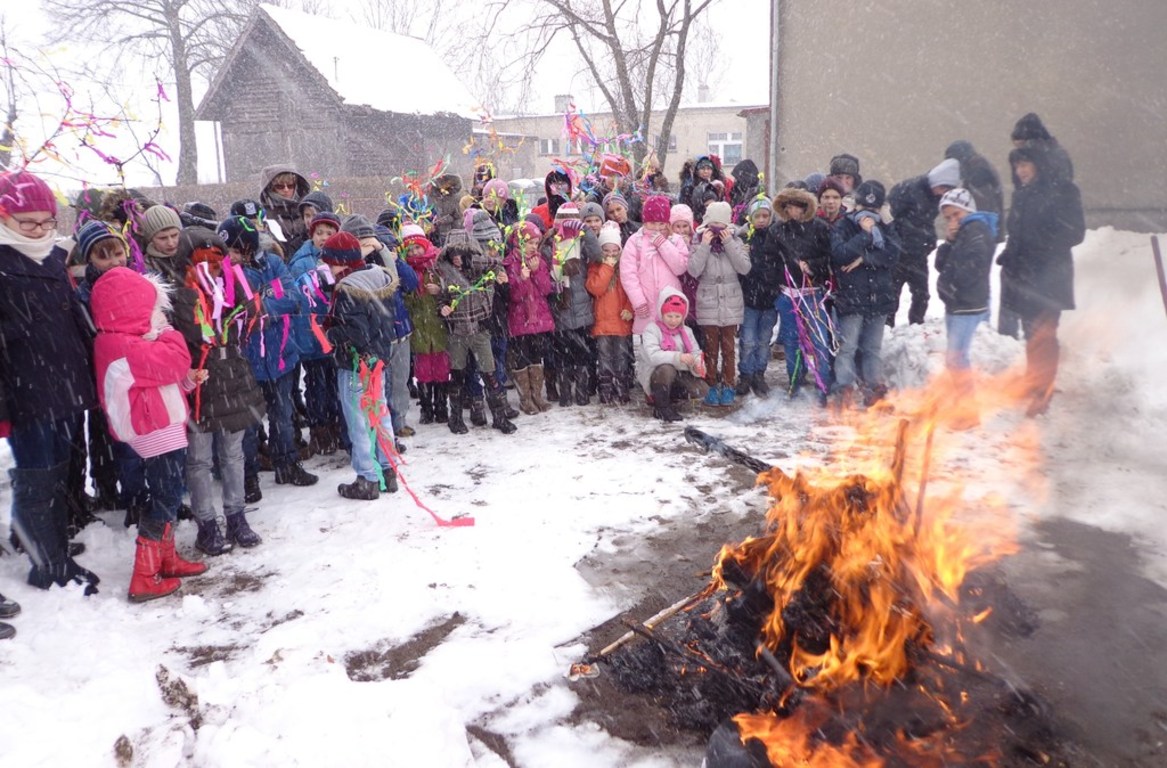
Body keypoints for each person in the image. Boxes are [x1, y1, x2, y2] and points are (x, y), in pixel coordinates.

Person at [0, 170, 101, 606]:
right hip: (27, 389)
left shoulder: (53, 259)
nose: (40, 231)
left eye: (46, 222)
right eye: (29, 223)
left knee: (58, 469)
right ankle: (48, 564)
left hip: (63, 383)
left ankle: (45, 541)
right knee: (37, 476)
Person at [90, 266, 209, 602]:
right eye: (154, 309)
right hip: (153, 431)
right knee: (165, 497)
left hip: (162, 426)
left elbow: (162, 381)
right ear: (130, 308)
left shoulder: (131, 340)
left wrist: (187, 381)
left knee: (169, 494)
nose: (159, 316)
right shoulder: (119, 345)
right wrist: (170, 333)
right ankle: (144, 574)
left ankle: (165, 559)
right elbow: (172, 361)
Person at [176, 227, 266, 553]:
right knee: (199, 458)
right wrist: (193, 291)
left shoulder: (231, 285)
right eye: (204, 261)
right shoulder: (181, 292)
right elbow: (193, 330)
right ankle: (206, 523)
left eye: (217, 260)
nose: (212, 268)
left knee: (232, 454)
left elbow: (252, 315)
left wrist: (238, 285)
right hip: (200, 380)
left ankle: (236, 516)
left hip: (232, 375)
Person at [217, 216, 318, 490]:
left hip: (280, 353)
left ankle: (287, 463)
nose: (232, 256)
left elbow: (292, 297)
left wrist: (263, 309)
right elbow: (230, 310)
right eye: (228, 251)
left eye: (237, 250)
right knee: (249, 423)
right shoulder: (224, 275)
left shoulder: (273, 263)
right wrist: (252, 307)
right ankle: (248, 477)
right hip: (246, 361)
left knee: (282, 415)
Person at [997, 144, 1085, 417]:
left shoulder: (1062, 193)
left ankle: (1042, 391)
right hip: (1024, 276)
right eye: (1017, 166)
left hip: (1049, 278)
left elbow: (1075, 233)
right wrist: (1010, 255)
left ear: (1039, 164)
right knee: (1031, 332)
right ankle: (1035, 381)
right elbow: (1017, 233)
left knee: (1044, 335)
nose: (1020, 171)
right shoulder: (1022, 195)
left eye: (1025, 164)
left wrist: (1040, 250)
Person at [322, 232, 401, 500]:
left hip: (356, 365)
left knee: (358, 420)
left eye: (331, 264)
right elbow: (374, 320)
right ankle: (388, 470)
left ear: (342, 262)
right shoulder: (375, 277)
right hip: (378, 360)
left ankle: (366, 477)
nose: (329, 270)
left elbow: (356, 332)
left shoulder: (348, 289)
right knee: (380, 414)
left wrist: (329, 333)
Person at [830, 181, 901, 408]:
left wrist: (865, 259)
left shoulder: (888, 228)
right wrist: (865, 235)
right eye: (863, 209)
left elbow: (893, 254)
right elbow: (839, 255)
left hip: (878, 299)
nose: (868, 215)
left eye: (874, 211)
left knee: (872, 349)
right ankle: (844, 389)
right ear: (856, 206)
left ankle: (874, 389)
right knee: (847, 348)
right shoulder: (844, 226)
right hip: (851, 299)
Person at [436, 230, 515, 434]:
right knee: (458, 374)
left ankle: (499, 416)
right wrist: (443, 307)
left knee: (489, 373)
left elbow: (496, 264)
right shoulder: (443, 273)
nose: (455, 256)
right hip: (458, 333)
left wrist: (499, 275)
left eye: (460, 252)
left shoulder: (480, 267)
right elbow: (441, 299)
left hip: (480, 329)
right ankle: (455, 418)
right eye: (452, 252)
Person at [934, 188, 998, 430]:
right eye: (948, 217)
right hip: (957, 304)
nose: (953, 221)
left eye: (956, 214)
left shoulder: (976, 230)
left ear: (967, 210)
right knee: (955, 359)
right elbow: (941, 264)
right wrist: (949, 242)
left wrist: (951, 285)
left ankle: (968, 412)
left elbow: (974, 266)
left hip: (968, 305)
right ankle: (963, 407)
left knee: (957, 359)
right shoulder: (962, 232)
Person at [766, 187, 834, 400]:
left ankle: (823, 386)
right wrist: (779, 281)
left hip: (814, 294)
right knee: (792, 342)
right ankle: (795, 382)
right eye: (788, 206)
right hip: (788, 295)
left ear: (805, 207)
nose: (792, 210)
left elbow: (830, 258)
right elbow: (769, 259)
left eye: (796, 206)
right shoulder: (777, 230)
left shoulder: (820, 228)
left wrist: (812, 266)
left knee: (820, 341)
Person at [288, 212, 344, 455]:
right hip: (311, 333)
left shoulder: (339, 257)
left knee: (335, 383)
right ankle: (319, 429)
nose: (323, 238)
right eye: (319, 233)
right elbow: (296, 296)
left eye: (329, 233)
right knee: (315, 385)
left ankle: (336, 426)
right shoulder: (301, 262)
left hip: (334, 331)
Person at [688, 201, 751, 406]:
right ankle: (712, 384)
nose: (716, 231)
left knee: (729, 349)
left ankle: (729, 384)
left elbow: (744, 268)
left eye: (720, 226)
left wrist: (729, 243)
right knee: (711, 348)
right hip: (708, 300)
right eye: (712, 226)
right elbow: (694, 270)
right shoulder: (698, 242)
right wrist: (705, 245)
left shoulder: (736, 242)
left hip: (731, 300)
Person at [886, 158, 960, 326]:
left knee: (922, 295)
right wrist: (895, 244)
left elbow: (926, 223)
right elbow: (889, 218)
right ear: (936, 182)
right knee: (891, 295)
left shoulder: (935, 197)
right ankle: (888, 327)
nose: (943, 193)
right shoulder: (908, 190)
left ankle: (916, 326)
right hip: (898, 254)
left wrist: (930, 241)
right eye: (943, 188)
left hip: (918, 254)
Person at [620, 195, 690, 338]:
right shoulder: (635, 241)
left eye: (661, 223)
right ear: (645, 222)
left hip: (670, 306)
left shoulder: (675, 240)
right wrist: (638, 301)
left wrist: (663, 244)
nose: (657, 228)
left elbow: (680, 267)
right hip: (646, 306)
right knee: (648, 351)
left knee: (672, 349)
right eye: (652, 223)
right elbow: (628, 274)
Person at [504, 221, 556, 414]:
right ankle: (525, 399)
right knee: (521, 358)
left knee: (536, 357)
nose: (534, 246)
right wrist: (523, 279)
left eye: (536, 242)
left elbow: (545, 289)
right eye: (530, 242)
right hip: (520, 319)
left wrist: (535, 273)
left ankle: (537, 396)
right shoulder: (510, 263)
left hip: (538, 320)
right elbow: (515, 296)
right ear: (519, 243)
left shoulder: (539, 261)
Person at [402, 224, 451, 426]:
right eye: (410, 250)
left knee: (441, 368)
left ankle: (441, 405)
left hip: (438, 327)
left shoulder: (437, 266)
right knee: (423, 371)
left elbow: (451, 290)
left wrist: (439, 290)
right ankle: (426, 407)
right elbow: (405, 300)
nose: (414, 252)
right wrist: (412, 294)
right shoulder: (407, 272)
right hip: (419, 328)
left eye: (417, 247)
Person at [637, 289, 709, 422]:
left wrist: (698, 365)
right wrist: (678, 357)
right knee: (666, 368)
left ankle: (669, 396)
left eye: (677, 317)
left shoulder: (687, 331)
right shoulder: (652, 329)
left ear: (683, 317)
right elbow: (653, 356)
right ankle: (661, 407)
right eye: (669, 316)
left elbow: (696, 352)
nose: (673, 320)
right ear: (662, 314)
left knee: (702, 390)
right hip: (655, 372)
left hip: (680, 372)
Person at [586, 222, 635, 404]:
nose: (611, 254)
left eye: (615, 250)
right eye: (606, 250)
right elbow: (596, 288)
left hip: (621, 321)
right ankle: (605, 389)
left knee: (621, 358)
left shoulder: (625, 267)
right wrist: (606, 267)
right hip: (602, 322)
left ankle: (622, 388)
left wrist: (630, 308)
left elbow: (632, 289)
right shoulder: (596, 267)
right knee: (604, 358)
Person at [736, 197, 780, 397]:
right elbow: (740, 269)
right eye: (757, 216)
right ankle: (745, 374)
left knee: (764, 340)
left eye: (765, 216)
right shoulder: (744, 238)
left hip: (770, 299)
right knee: (748, 340)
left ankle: (759, 374)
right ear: (750, 218)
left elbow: (781, 266)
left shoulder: (776, 237)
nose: (762, 220)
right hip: (749, 299)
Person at [258, 164, 311, 254]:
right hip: (276, 263)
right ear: (270, 188)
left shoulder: (306, 209)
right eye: (280, 186)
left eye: (290, 185)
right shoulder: (262, 214)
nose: (286, 190)